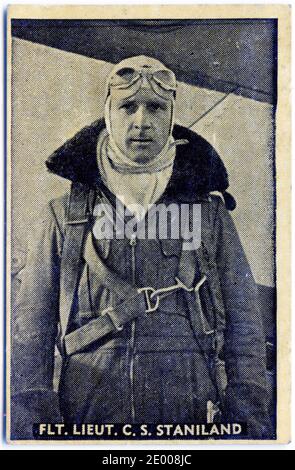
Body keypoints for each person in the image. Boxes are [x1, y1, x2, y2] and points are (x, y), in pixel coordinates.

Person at [11, 55, 272, 439]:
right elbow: (29, 333)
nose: (141, 122)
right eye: (128, 107)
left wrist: (247, 421)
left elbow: (245, 326)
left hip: (187, 412)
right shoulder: (64, 216)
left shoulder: (209, 215)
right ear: (108, 113)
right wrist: (32, 427)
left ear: (170, 117)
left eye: (156, 108)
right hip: (87, 412)